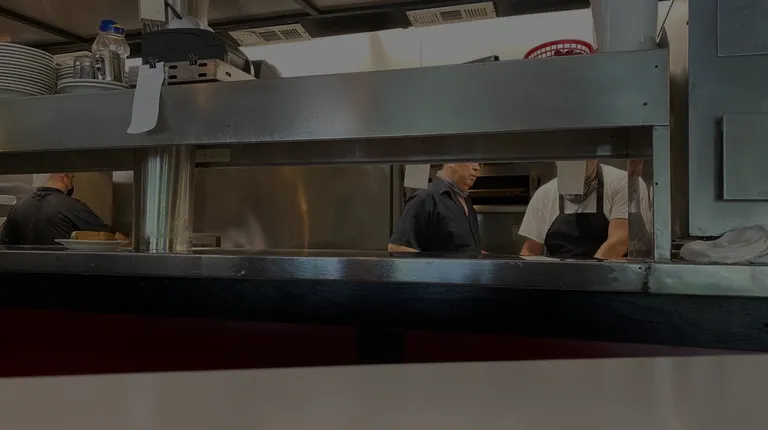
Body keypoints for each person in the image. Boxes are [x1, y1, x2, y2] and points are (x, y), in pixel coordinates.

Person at [518, 161, 630, 259]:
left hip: (608, 274)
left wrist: (589, 274)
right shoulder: (544, 194)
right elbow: (530, 251)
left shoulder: (621, 182)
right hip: (559, 275)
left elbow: (619, 241)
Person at [0, 173, 117, 246]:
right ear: (64, 178)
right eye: (71, 179)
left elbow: (5, 242)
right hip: (61, 271)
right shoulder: (72, 206)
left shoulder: (18, 207)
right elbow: (109, 237)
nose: (72, 185)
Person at [388, 163, 482, 254]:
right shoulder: (426, 197)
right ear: (451, 161)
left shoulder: (467, 201)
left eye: (479, 163)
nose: (477, 168)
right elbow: (397, 247)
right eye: (472, 160)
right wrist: (433, 265)